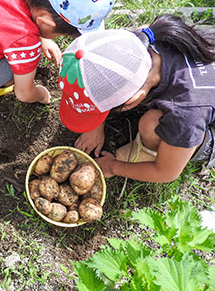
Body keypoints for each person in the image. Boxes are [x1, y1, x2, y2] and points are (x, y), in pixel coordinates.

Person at [57, 14, 215, 183]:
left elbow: (165, 173)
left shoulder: (185, 114)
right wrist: (95, 125)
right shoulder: (141, 39)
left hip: (202, 117)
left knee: (150, 126)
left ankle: (162, 151)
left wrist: (113, 166)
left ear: (134, 99)